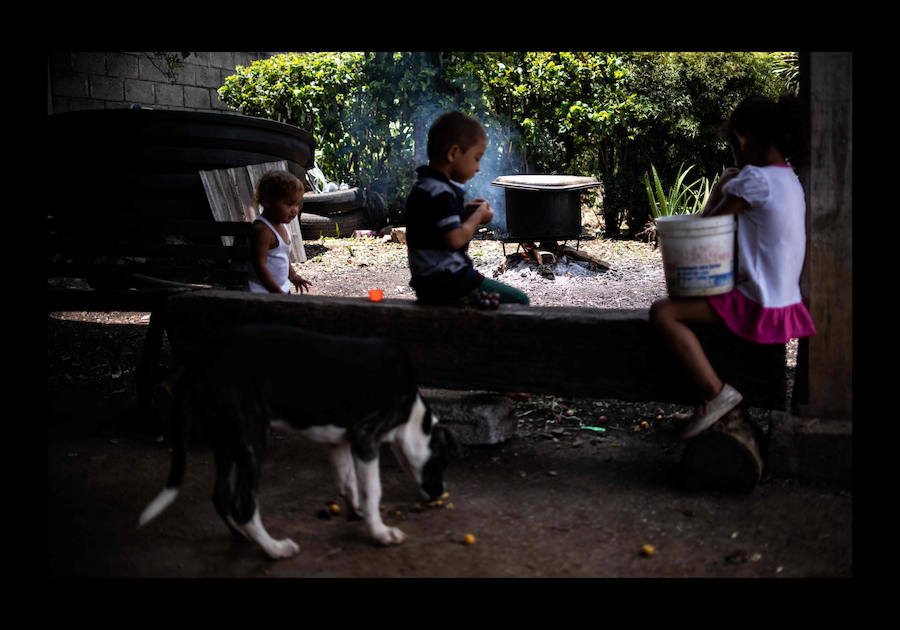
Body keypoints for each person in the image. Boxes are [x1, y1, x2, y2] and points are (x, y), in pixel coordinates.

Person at [649, 94, 816, 440]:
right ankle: (706, 400)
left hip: (758, 302)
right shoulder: (789, 178)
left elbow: (704, 229)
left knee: (664, 313)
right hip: (782, 299)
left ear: (741, 139)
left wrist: (719, 189)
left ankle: (716, 395)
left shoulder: (754, 179)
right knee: (700, 312)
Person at [405, 111, 529, 307]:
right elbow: (454, 239)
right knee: (520, 301)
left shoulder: (423, 187)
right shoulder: (441, 192)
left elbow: (437, 230)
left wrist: (465, 213)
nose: (478, 168)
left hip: (426, 284)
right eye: (476, 158)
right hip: (450, 283)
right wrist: (477, 216)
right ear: (453, 153)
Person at [248, 170, 312, 294]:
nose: (295, 210)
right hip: (262, 293)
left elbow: (282, 255)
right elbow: (259, 265)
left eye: (297, 204)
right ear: (268, 202)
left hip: (280, 289)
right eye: (289, 204)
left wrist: (292, 275)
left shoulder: (281, 225)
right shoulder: (263, 230)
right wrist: (277, 293)